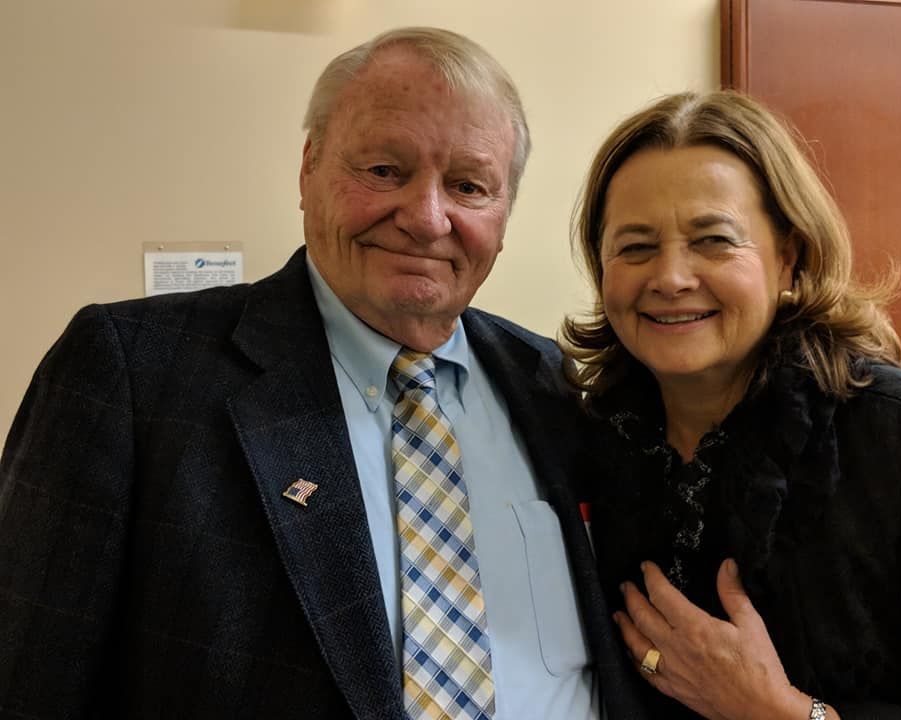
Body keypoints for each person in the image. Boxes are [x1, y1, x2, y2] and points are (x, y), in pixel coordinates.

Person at [0, 28, 646, 720]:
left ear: (505, 211)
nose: (428, 219)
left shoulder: (548, 381)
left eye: (468, 185)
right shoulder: (132, 372)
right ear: (308, 170)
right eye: (383, 171)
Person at [562, 90, 901, 720]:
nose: (669, 277)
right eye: (635, 247)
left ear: (789, 259)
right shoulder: (576, 439)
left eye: (714, 240)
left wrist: (776, 711)